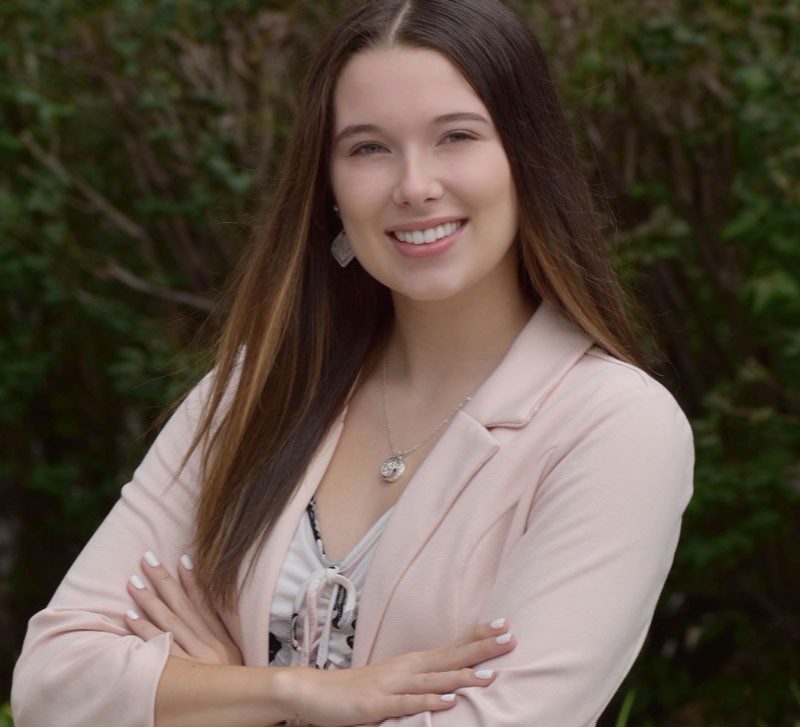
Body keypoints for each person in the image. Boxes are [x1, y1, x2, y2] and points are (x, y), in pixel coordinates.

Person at [10, 0, 695, 725]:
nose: (415, 185)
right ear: (330, 189)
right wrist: (294, 690)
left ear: (527, 158)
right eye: (369, 148)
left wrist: (213, 692)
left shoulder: (615, 427)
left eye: (456, 136)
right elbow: (52, 684)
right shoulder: (255, 390)